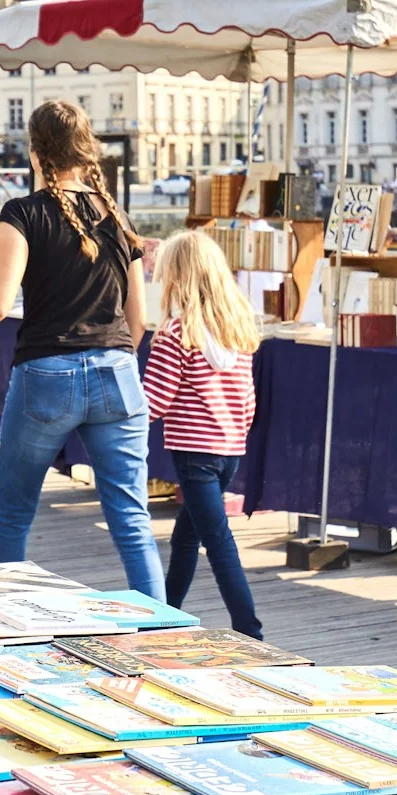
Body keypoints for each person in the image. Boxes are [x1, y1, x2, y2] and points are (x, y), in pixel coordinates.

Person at [0, 100, 162, 599]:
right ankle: (157, 632)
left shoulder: (21, 214)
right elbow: (138, 320)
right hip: (117, 372)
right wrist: (112, 355)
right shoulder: (116, 216)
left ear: (35, 153)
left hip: (46, 374)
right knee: (130, 518)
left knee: (15, 510)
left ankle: (1, 630)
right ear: (86, 150)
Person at [141, 231, 262, 638]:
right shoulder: (237, 332)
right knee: (187, 535)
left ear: (177, 277)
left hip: (193, 454)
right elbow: (248, 401)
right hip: (230, 450)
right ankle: (166, 611)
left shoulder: (176, 334)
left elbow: (154, 401)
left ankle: (250, 630)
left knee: (217, 541)